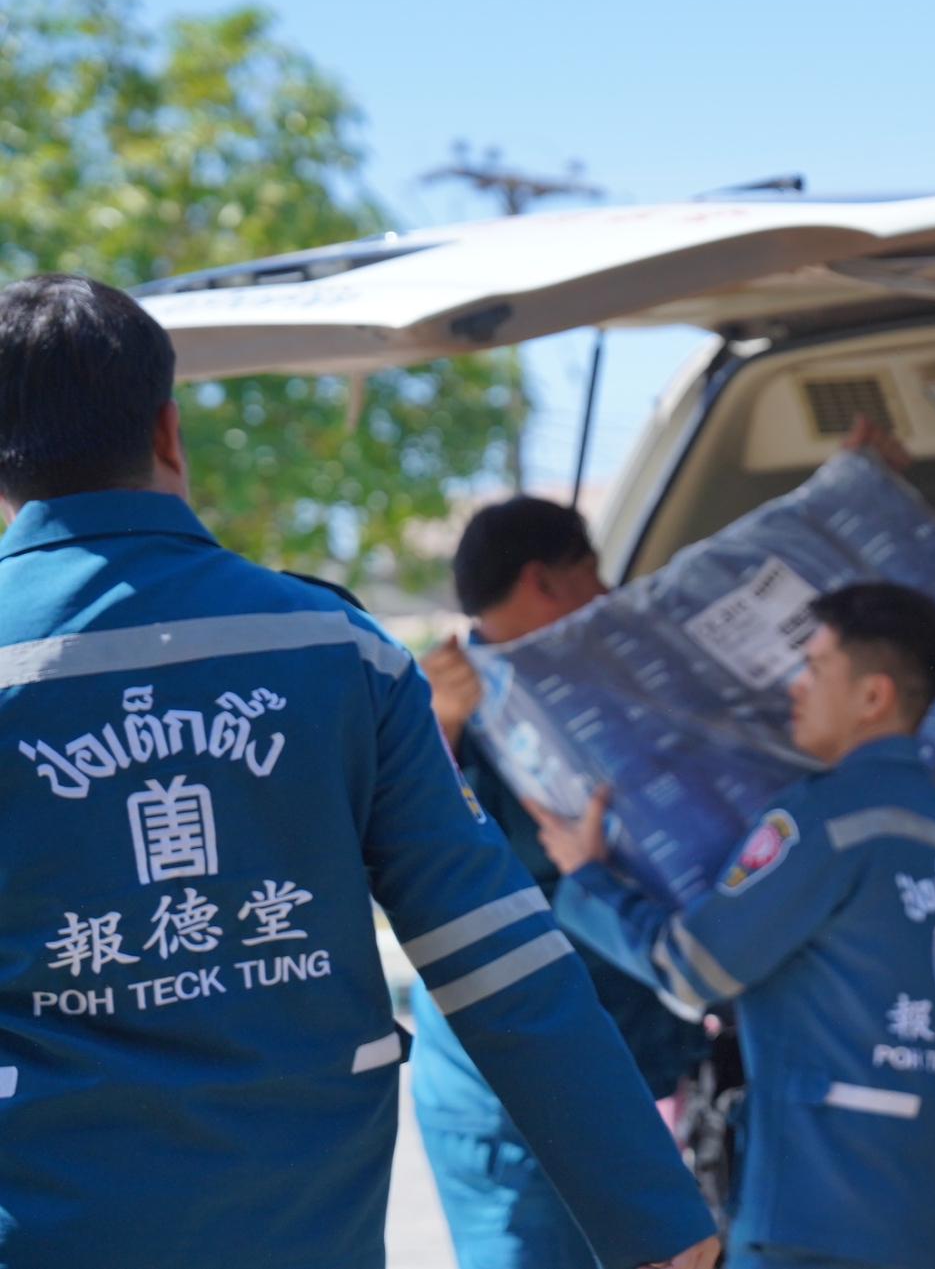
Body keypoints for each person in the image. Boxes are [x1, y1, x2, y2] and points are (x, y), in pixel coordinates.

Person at [0, 274, 719, 1269]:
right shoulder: (342, 650)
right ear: (167, 428)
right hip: (309, 1226)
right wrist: (653, 1214)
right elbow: (494, 950)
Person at [532, 583, 935, 1269]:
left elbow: (693, 967)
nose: (795, 685)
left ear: (872, 695)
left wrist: (587, 878)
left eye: (814, 666)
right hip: (927, 1217)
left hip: (813, 1218)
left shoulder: (824, 820)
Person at [411, 496, 712, 1269]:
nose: (607, 593)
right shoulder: (431, 712)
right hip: (510, 1086)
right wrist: (437, 730)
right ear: (542, 580)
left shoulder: (614, 681)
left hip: (627, 1061)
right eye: (591, 570)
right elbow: (401, 857)